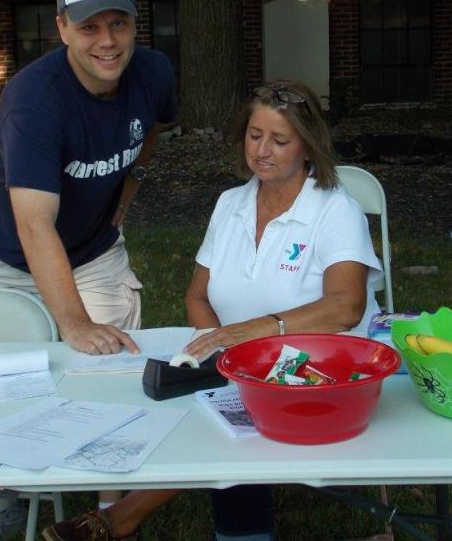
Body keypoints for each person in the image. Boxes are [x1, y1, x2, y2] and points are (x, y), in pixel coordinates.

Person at [43, 80, 383, 541]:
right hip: (244, 363)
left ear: (308, 146)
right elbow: (197, 297)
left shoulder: (334, 209)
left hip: (323, 365)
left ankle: (120, 518)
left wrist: (252, 335)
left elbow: (346, 307)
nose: (262, 151)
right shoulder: (232, 204)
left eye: (279, 140)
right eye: (254, 135)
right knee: (199, 401)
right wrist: (222, 351)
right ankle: (127, 515)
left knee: (236, 420)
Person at [0, 0, 178, 355]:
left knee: (109, 366)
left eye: (118, 23)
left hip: (93, 254)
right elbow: (35, 225)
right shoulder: (34, 103)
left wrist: (131, 185)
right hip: (8, 262)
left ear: (135, 24)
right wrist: (76, 325)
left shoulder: (154, 73)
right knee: (6, 373)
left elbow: (153, 126)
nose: (108, 41)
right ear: (62, 28)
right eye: (89, 27)